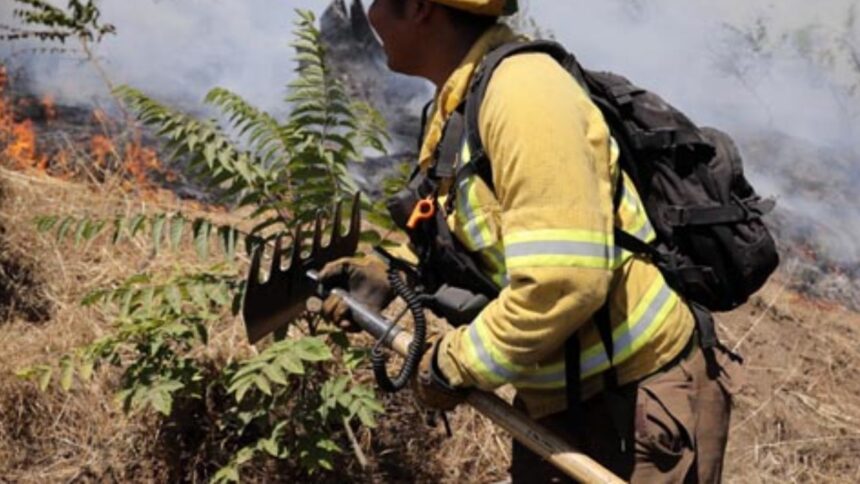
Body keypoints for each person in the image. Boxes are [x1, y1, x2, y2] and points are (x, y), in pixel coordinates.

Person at [319, 0, 742, 481]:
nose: (369, 16)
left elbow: (563, 282)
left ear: (418, 8)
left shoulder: (524, 96)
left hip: (638, 406)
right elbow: (476, 228)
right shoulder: (462, 98)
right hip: (562, 401)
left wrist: (454, 362)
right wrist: (394, 272)